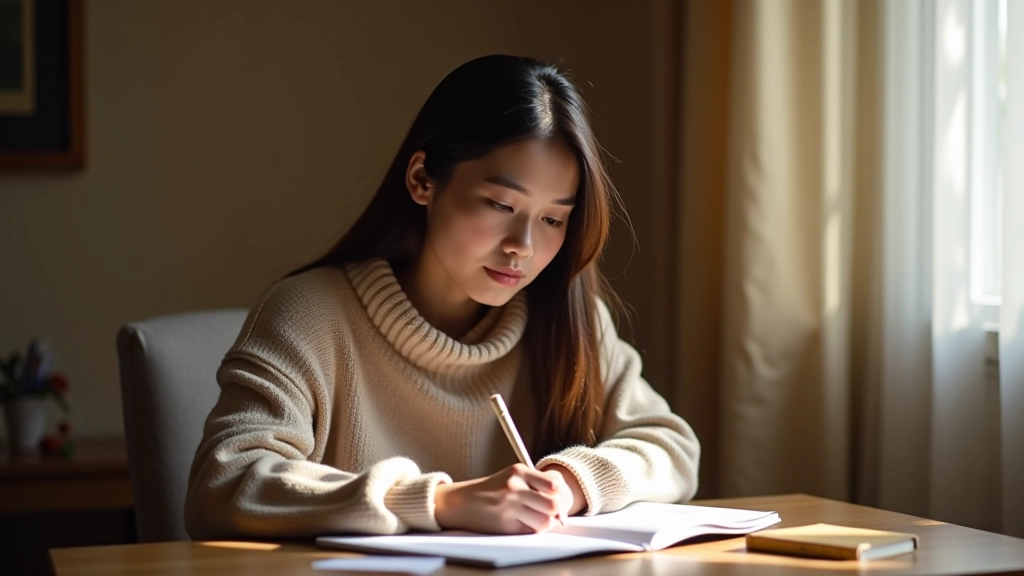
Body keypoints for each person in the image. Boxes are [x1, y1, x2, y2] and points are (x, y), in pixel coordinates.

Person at [184, 54, 700, 540]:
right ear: (422, 180)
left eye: (552, 219)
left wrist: (569, 482)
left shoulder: (568, 316)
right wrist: (440, 502)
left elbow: (673, 446)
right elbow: (226, 482)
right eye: (500, 203)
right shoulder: (309, 314)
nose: (523, 246)